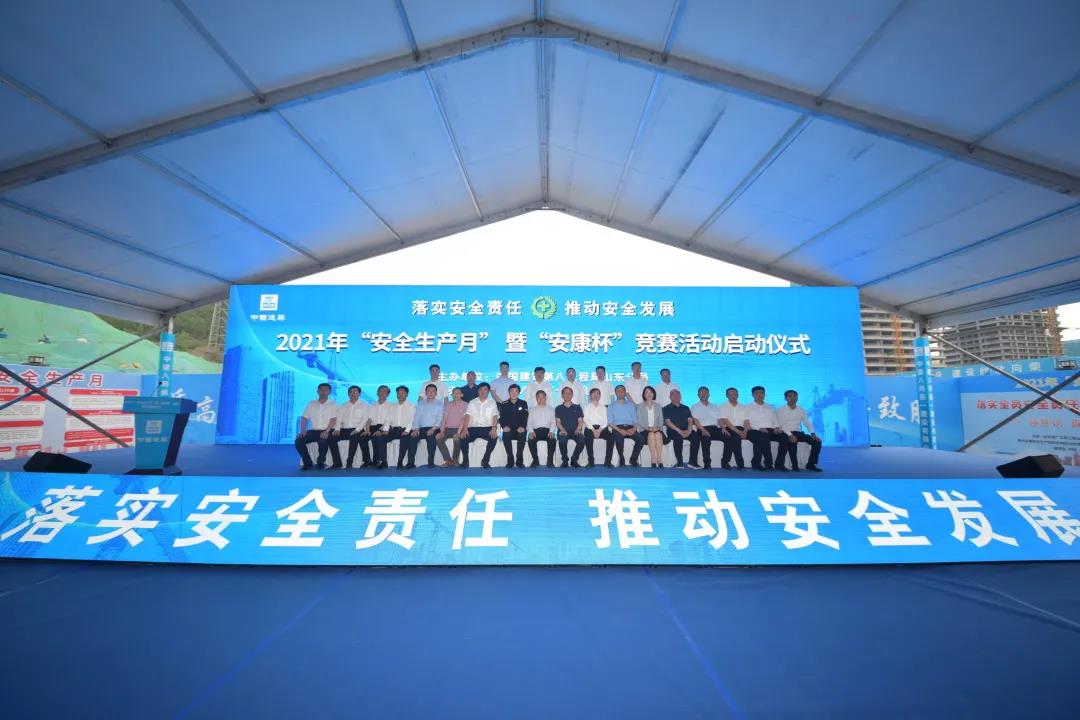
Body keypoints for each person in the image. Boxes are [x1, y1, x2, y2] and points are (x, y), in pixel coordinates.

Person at [743, 385, 790, 471]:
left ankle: (779, 464)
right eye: (756, 393)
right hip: (753, 430)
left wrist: (776, 427)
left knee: (784, 437)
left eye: (762, 393)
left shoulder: (770, 407)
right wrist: (759, 428)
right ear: (752, 395)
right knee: (762, 437)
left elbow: (775, 420)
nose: (759, 395)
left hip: (770, 430)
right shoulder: (747, 407)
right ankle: (761, 463)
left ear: (764, 394)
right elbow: (746, 422)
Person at [294, 382, 338, 470]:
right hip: (314, 431)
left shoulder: (333, 404)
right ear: (317, 391)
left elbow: (334, 419)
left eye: (326, 390)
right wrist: (303, 431)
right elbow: (304, 418)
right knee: (299, 441)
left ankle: (320, 462)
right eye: (321, 390)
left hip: (328, 430)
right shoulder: (311, 404)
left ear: (329, 392)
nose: (323, 392)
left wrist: (326, 431)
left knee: (323, 441)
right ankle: (307, 463)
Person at [777, 390, 823, 472]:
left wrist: (813, 433)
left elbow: (807, 422)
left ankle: (811, 464)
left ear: (797, 398)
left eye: (795, 396)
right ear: (785, 398)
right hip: (785, 432)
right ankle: (792, 466)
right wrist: (790, 435)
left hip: (797, 432)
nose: (793, 398)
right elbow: (783, 424)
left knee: (817, 442)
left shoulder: (800, 409)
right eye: (790, 396)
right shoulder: (781, 409)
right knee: (792, 441)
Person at [373, 385, 415, 469]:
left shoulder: (412, 406)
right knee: (380, 438)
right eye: (398, 393)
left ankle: (400, 462)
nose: (400, 395)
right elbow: (388, 419)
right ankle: (384, 462)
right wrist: (385, 430)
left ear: (407, 394)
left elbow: (412, 420)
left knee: (405, 438)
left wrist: (407, 430)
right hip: (394, 430)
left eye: (403, 393)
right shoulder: (392, 406)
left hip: (405, 429)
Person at [460, 382, 499, 468]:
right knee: (462, 437)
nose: (483, 391)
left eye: (485, 389)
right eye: (480, 389)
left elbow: (495, 416)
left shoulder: (492, 402)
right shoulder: (472, 402)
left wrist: (494, 428)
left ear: (488, 391)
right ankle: (465, 461)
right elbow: (467, 415)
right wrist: (465, 428)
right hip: (473, 428)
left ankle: (485, 460)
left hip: (486, 428)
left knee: (494, 437)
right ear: (477, 391)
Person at [407, 383, 445, 468]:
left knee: (431, 438)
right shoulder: (421, 403)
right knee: (412, 437)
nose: (430, 393)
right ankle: (410, 463)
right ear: (425, 393)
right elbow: (416, 417)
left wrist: (433, 429)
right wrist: (416, 429)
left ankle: (431, 462)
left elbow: (440, 418)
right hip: (421, 428)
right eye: (428, 391)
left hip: (434, 428)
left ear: (436, 393)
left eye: (433, 391)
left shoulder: (440, 404)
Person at [334, 385, 371, 469]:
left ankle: (349, 462)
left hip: (358, 429)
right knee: (332, 438)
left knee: (355, 437)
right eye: (350, 392)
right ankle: (337, 462)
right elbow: (339, 419)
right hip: (344, 429)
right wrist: (337, 429)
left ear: (359, 394)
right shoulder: (343, 405)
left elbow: (365, 419)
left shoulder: (364, 405)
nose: (353, 393)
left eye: (355, 392)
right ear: (348, 394)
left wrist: (357, 430)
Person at [663, 389, 699, 469]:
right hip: (673, 430)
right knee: (678, 437)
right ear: (670, 397)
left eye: (678, 394)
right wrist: (680, 431)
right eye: (673, 395)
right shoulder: (666, 408)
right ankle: (680, 462)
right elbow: (668, 422)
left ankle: (692, 462)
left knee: (695, 436)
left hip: (686, 430)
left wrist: (689, 431)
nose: (676, 396)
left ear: (680, 396)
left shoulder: (686, 408)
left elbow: (690, 420)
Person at [606, 384, 640, 467]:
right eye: (618, 391)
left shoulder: (631, 405)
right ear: (615, 393)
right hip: (618, 427)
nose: (620, 392)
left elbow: (636, 420)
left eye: (622, 391)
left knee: (641, 440)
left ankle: (633, 459)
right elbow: (610, 422)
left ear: (625, 392)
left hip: (630, 427)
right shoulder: (611, 405)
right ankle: (621, 458)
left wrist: (634, 429)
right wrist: (619, 430)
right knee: (619, 440)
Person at [717, 387, 748, 470]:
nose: (733, 396)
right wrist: (739, 432)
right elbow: (726, 421)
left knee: (734, 438)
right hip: (728, 428)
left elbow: (746, 421)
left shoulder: (743, 407)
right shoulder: (723, 406)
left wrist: (745, 431)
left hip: (741, 428)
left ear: (738, 395)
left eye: (734, 394)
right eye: (730, 394)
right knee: (734, 437)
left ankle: (725, 462)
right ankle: (740, 463)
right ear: (727, 396)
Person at [499, 383, 529, 468]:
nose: (514, 393)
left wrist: (523, 427)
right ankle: (510, 460)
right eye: (512, 391)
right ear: (509, 392)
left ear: (519, 392)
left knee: (522, 435)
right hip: (508, 429)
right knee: (506, 435)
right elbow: (501, 417)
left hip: (520, 429)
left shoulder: (523, 403)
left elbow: (525, 416)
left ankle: (519, 460)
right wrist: (504, 427)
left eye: (516, 391)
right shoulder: (504, 404)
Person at [689, 386, 720, 470]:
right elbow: (695, 420)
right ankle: (707, 463)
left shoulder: (715, 406)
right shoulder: (694, 407)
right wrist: (703, 430)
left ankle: (725, 462)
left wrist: (723, 428)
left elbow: (719, 420)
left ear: (709, 394)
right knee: (705, 438)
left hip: (715, 429)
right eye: (701, 393)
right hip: (702, 428)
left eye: (705, 392)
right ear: (698, 395)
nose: (703, 394)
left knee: (729, 436)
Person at [555, 386, 586, 468]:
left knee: (582, 439)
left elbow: (580, 421)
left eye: (569, 393)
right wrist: (562, 430)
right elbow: (558, 422)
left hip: (575, 430)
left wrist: (578, 429)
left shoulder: (577, 407)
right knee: (562, 440)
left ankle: (574, 459)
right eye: (565, 393)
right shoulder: (558, 408)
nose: (567, 395)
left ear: (572, 395)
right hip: (563, 430)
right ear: (562, 395)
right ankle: (565, 460)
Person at [636, 386, 667, 468]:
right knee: (651, 434)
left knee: (657, 434)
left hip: (657, 429)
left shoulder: (658, 406)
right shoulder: (640, 406)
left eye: (650, 392)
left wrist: (657, 428)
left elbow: (661, 420)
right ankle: (653, 459)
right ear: (644, 395)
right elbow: (640, 421)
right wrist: (649, 428)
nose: (649, 394)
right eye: (646, 392)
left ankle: (659, 459)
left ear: (653, 394)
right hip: (644, 430)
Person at [437, 387, 468, 467]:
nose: (455, 395)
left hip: (459, 428)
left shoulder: (466, 405)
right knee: (438, 438)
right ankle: (448, 460)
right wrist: (442, 431)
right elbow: (444, 418)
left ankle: (455, 460)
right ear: (451, 395)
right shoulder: (448, 404)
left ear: (462, 395)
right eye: (454, 393)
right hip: (448, 429)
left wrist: (458, 432)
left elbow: (463, 419)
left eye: (458, 393)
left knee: (456, 438)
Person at [526, 389, 557, 467]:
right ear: (536, 399)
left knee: (552, 439)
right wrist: (531, 431)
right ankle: (535, 460)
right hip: (535, 431)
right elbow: (529, 422)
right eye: (538, 397)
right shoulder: (532, 409)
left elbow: (553, 422)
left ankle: (550, 461)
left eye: (542, 397)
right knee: (530, 439)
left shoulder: (551, 409)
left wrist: (551, 431)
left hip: (547, 431)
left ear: (545, 398)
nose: (540, 399)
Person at [581, 387, 609, 468]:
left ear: (600, 396)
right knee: (588, 438)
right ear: (590, 396)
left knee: (611, 438)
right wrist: (593, 430)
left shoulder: (604, 407)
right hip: (590, 428)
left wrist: (599, 430)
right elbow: (586, 420)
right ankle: (591, 462)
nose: (595, 395)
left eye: (597, 393)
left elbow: (606, 421)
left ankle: (608, 461)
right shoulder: (586, 407)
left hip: (602, 428)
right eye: (593, 394)